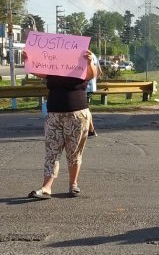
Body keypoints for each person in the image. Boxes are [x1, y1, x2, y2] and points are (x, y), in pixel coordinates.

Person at [25, 50, 97, 199]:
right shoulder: (55, 66)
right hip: (54, 115)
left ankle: (73, 184)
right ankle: (46, 187)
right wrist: (28, 60)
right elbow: (38, 71)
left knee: (74, 152)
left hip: (77, 115)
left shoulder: (82, 63)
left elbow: (92, 75)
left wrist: (89, 62)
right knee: (52, 151)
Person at [86, 52, 102, 137]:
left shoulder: (81, 54)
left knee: (84, 108)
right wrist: (94, 80)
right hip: (91, 86)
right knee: (85, 107)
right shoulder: (93, 55)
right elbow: (99, 71)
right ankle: (90, 129)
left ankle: (91, 130)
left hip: (84, 86)